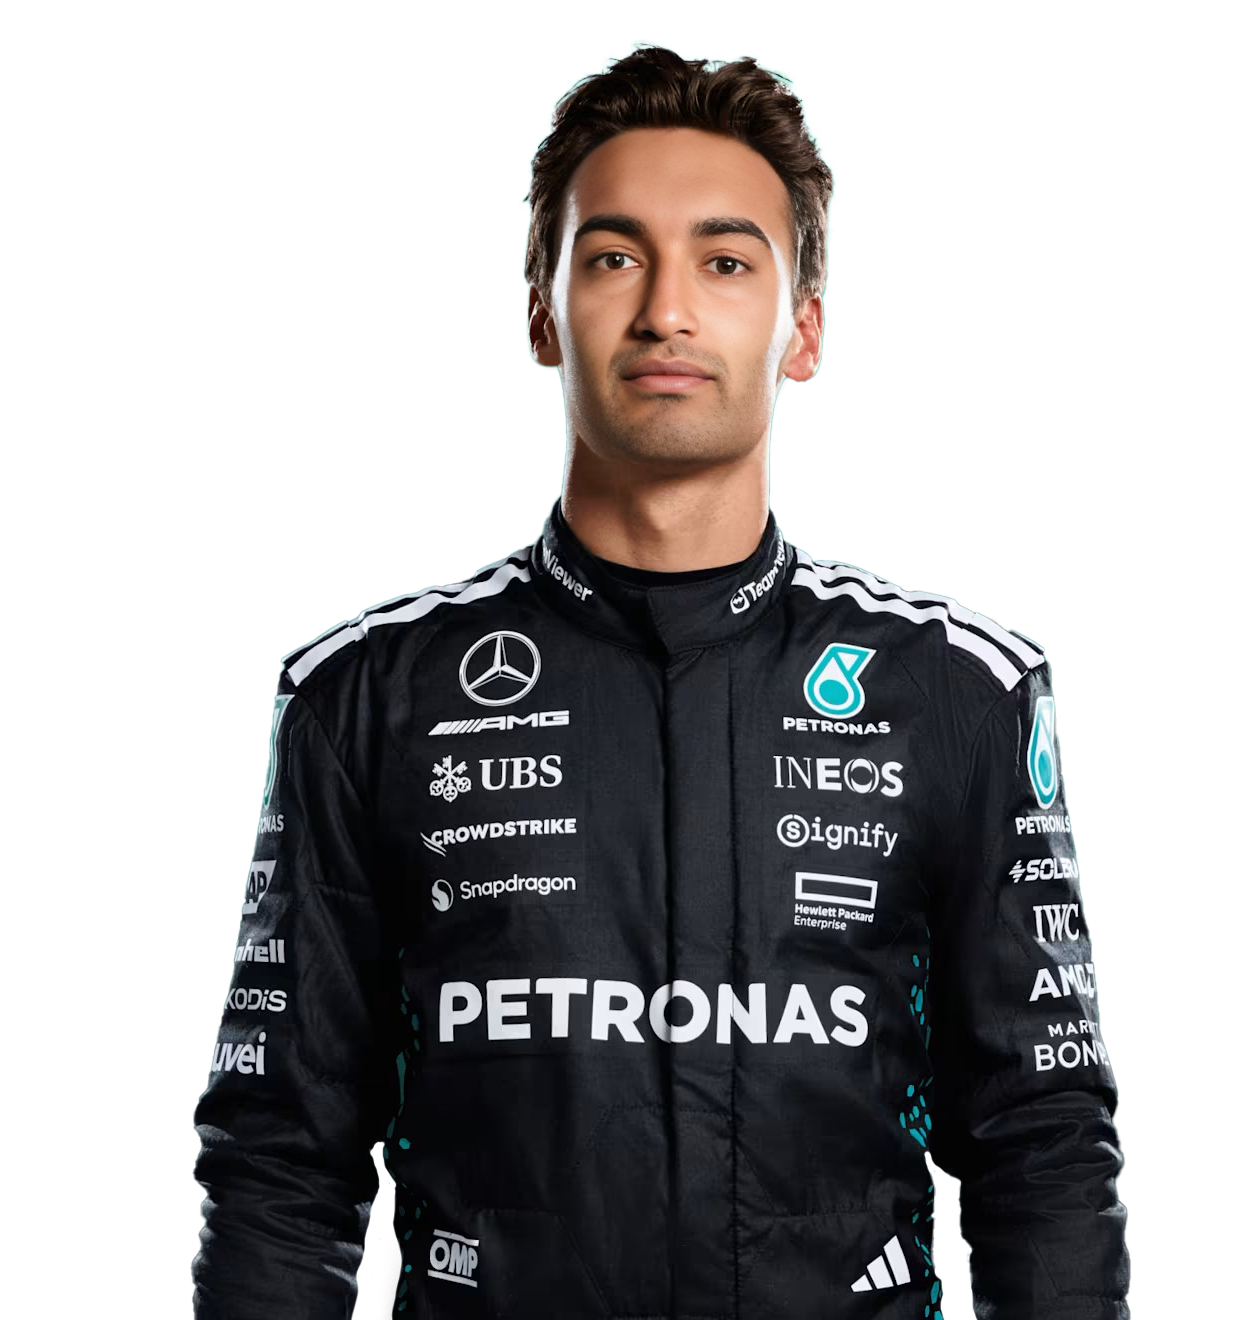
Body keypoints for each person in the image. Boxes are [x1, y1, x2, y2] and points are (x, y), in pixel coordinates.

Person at [191, 39, 1130, 1319]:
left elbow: (1046, 1148)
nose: (667, 311)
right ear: (541, 312)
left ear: (805, 328)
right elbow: (277, 1165)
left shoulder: (964, 691)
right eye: (614, 257)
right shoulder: (363, 694)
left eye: (726, 262)